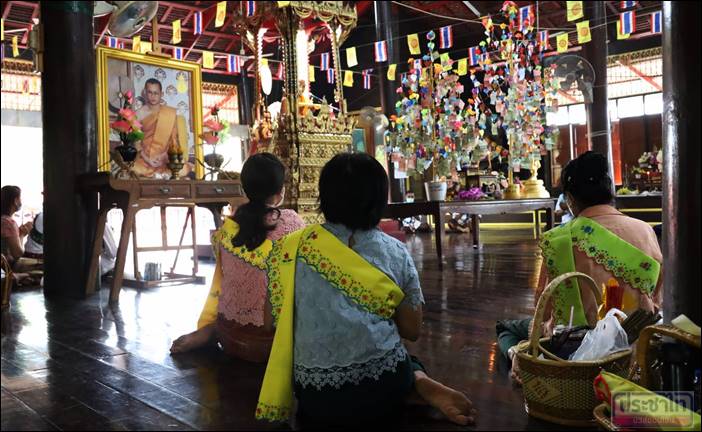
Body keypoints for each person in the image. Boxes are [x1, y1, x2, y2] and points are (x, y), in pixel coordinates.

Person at [256, 153, 476, 427]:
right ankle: (416, 382)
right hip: (383, 387)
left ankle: (414, 384)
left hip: (316, 398)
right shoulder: (394, 251)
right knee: (404, 356)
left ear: (323, 197)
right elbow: (412, 330)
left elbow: (270, 324)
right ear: (379, 199)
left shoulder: (289, 249)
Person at [497, 152, 663, 382]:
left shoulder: (559, 239)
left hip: (576, 352)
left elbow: (542, 309)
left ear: (570, 199)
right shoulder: (645, 230)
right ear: (609, 192)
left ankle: (516, 355)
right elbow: (656, 297)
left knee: (506, 327)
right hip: (635, 346)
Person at [170, 153, 305, 362]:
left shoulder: (229, 228)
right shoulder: (291, 223)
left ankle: (211, 331)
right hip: (271, 342)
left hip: (229, 335)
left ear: (243, 189)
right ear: (280, 193)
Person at [132, 78, 190, 179]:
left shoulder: (170, 113)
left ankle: (161, 174)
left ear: (161, 94)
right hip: (145, 159)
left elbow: (174, 140)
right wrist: (147, 158)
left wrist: (164, 156)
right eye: (150, 92)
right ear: (145, 93)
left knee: (183, 168)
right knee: (133, 167)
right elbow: (137, 143)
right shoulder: (138, 114)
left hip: (166, 158)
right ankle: (161, 175)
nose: (153, 96)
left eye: (156, 93)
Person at [1, 186, 33, 267]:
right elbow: (17, 254)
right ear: (15, 201)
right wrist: (22, 234)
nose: (21, 201)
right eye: (20, 198)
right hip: (6, 268)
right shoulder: (9, 223)